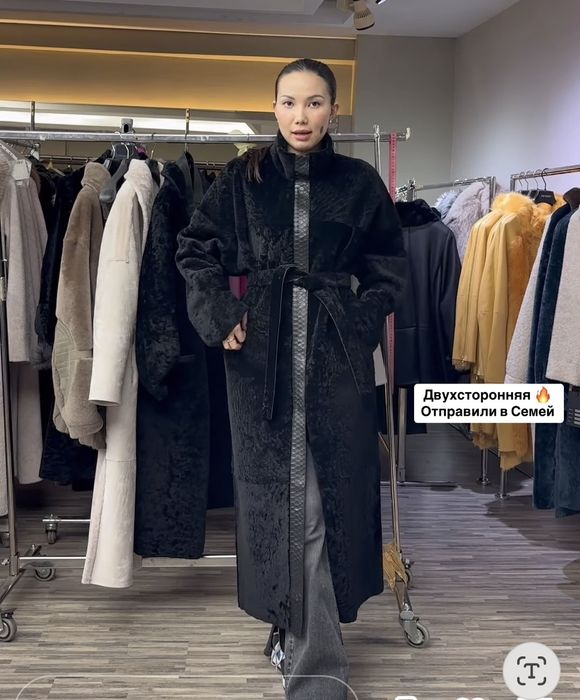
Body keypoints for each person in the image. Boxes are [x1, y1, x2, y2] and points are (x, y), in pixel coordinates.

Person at [176, 58, 406, 699]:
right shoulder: (243, 179)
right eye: (288, 102)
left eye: (314, 103)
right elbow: (194, 247)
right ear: (273, 107)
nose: (300, 116)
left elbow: (389, 268)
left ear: (333, 110)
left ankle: (315, 670)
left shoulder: (359, 183)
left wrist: (357, 320)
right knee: (282, 509)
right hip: (261, 368)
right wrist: (220, 313)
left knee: (322, 508)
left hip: (336, 365)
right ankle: (298, 637)